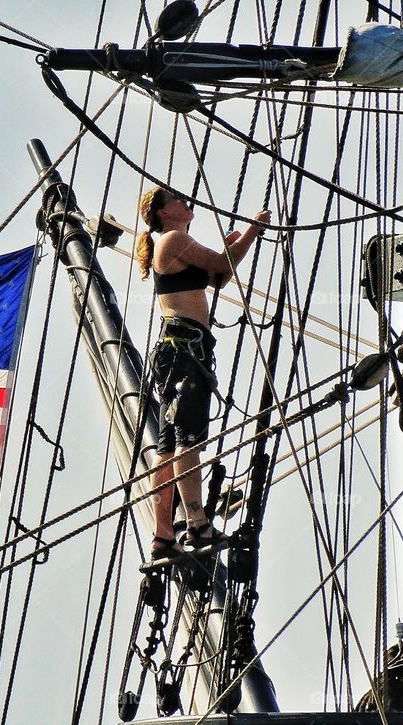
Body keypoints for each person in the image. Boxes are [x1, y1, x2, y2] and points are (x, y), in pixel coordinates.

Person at [137, 187, 271, 561]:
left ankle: (163, 536)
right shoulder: (174, 239)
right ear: (164, 213)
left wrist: (239, 243)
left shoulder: (174, 242)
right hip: (185, 352)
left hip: (176, 353)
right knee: (188, 441)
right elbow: (223, 268)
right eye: (178, 200)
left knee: (166, 450)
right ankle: (197, 524)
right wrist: (252, 230)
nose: (187, 203)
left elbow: (219, 276)